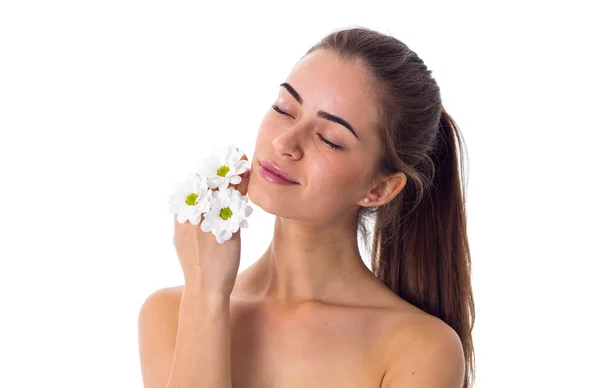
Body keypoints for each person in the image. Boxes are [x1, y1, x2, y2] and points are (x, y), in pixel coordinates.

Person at [138, 26, 475, 388]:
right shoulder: (171, 313)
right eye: (284, 108)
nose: (285, 142)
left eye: (328, 139)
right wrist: (205, 296)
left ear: (379, 189)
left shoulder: (419, 348)